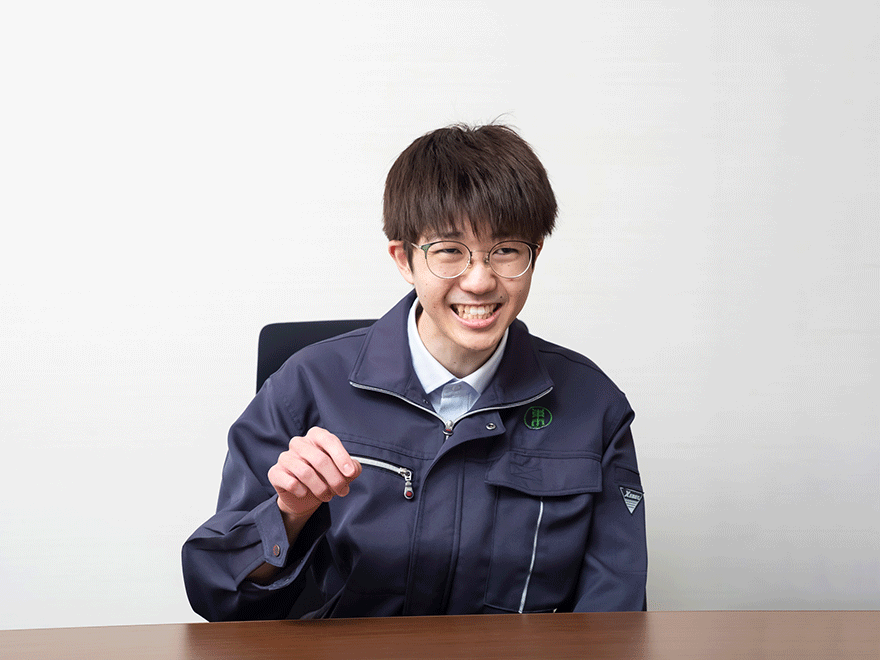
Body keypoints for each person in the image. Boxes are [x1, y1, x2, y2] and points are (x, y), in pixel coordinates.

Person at [182, 124, 647, 620]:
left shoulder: (593, 405)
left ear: (534, 255)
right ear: (404, 258)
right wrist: (288, 516)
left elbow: (613, 613)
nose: (480, 280)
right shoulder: (307, 385)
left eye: (506, 250)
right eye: (449, 251)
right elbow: (217, 593)